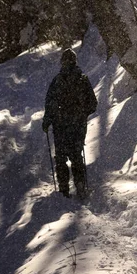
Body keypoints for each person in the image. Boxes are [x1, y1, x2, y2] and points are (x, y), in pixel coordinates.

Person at [42, 48, 97, 198]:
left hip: (60, 126)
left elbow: (50, 103)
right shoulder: (82, 79)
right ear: (75, 62)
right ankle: (80, 185)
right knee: (76, 155)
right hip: (78, 126)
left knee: (60, 157)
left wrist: (47, 121)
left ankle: (64, 189)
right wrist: (82, 113)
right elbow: (93, 104)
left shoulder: (57, 81)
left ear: (62, 62)